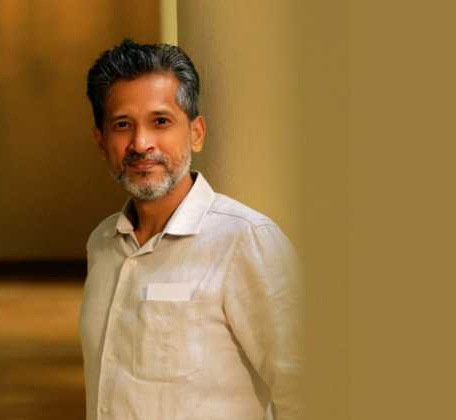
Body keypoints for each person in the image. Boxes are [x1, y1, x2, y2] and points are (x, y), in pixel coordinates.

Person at [79, 39, 302, 420]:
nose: (140, 143)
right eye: (122, 125)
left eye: (160, 122)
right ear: (102, 142)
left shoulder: (246, 240)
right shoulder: (101, 243)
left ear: (196, 133)